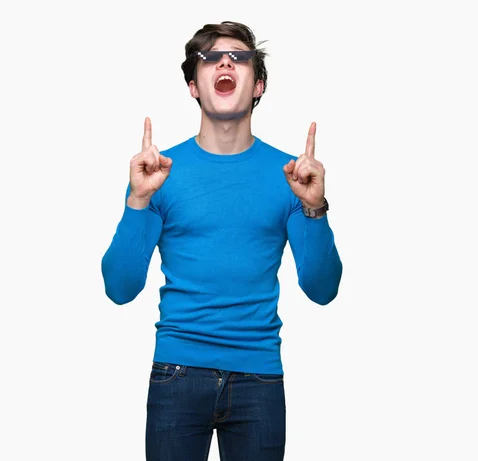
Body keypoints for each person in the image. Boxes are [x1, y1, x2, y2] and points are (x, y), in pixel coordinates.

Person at [101, 20, 343, 461]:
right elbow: (119, 289)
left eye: (239, 57)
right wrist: (137, 200)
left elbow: (323, 290)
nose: (225, 62)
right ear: (194, 85)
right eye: (210, 58)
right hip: (177, 374)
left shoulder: (291, 176)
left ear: (258, 85)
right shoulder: (159, 176)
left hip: (259, 379)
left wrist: (314, 206)